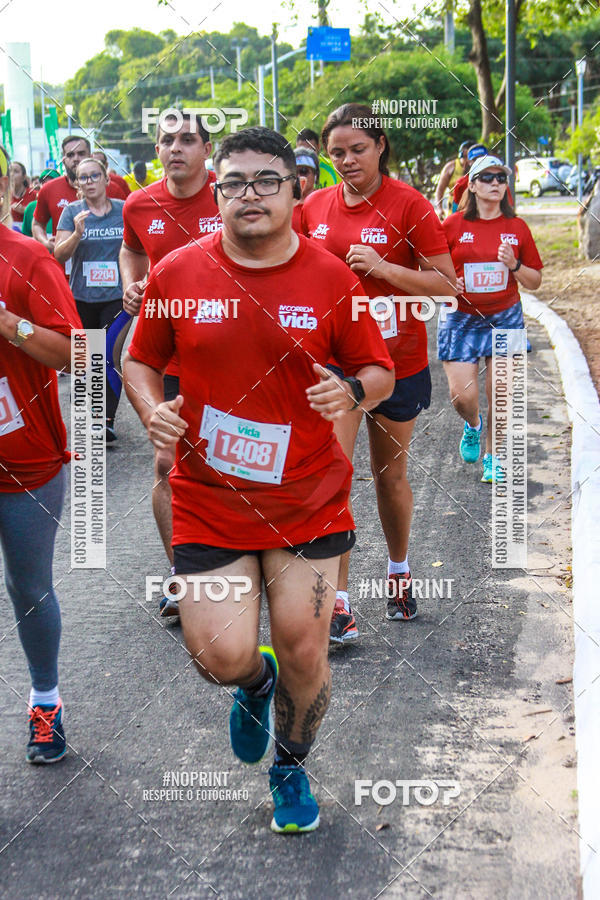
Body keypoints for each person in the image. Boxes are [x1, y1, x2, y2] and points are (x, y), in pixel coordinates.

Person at [123, 125, 394, 832]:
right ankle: (254, 681)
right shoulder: (179, 274)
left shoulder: (332, 278)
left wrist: (353, 392)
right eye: (235, 183)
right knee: (218, 655)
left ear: (294, 189)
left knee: (306, 649)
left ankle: (290, 767)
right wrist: (151, 410)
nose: (251, 194)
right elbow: (138, 359)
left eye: (266, 181)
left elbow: (379, 369)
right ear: (217, 194)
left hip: (308, 497)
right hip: (210, 497)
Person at [301, 103, 457, 633]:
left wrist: (385, 268)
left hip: (398, 361)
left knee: (389, 478)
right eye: (337, 152)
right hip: (336, 366)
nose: (347, 160)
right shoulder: (313, 207)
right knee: (335, 478)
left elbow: (446, 285)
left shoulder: (409, 205)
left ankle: (398, 572)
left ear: (380, 145)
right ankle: (338, 602)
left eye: (357, 149)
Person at [120, 112, 222, 617]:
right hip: (167, 353)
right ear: (157, 150)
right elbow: (131, 250)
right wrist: (132, 286)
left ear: (207, 149)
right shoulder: (139, 203)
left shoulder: (230, 195)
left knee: (224, 462)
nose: (176, 148)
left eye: (187, 139)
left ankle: (245, 564)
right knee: (167, 461)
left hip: (227, 352)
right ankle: (181, 576)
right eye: (167, 140)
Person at [0, 144, 83, 763]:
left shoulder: (27, 259)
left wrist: (10, 325)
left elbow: (78, 354)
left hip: (24, 456)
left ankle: (46, 701)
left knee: (28, 587)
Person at [440, 155, 543, 482]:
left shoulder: (517, 228)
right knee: (462, 396)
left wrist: (515, 265)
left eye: (501, 178)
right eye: (487, 177)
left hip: (505, 316)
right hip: (460, 318)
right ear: (472, 185)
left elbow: (535, 281)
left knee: (500, 392)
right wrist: (447, 283)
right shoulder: (453, 226)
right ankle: (473, 425)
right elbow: (429, 269)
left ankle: (493, 457)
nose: (495, 183)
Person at [54, 156, 126, 442]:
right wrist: (77, 234)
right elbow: (59, 255)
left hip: (116, 297)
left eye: (95, 175)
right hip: (82, 298)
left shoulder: (123, 210)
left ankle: (106, 420)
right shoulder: (72, 212)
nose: (90, 181)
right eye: (83, 177)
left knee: (108, 354)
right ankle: (92, 416)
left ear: (106, 179)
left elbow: (137, 248)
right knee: (87, 359)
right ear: (77, 184)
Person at [32, 135, 124, 256]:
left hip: (109, 263)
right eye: (70, 155)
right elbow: (37, 223)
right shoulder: (49, 189)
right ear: (63, 160)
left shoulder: (113, 189)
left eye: (81, 153)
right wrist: (45, 242)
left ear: (91, 156)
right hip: (64, 264)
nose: (76, 159)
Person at [434, 140, 473, 219]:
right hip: (454, 206)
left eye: (470, 157)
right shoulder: (451, 167)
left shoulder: (479, 167)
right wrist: (439, 208)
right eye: (465, 157)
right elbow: (440, 189)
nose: (467, 160)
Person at [21, 168, 60, 238]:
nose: (46, 186)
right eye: (43, 183)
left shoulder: (66, 207)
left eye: (52, 183)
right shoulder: (31, 208)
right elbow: (25, 237)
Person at [291, 147, 319, 232]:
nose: (299, 176)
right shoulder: (282, 204)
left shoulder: (325, 203)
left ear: (315, 176)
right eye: (294, 172)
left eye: (304, 171)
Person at [9, 162, 37, 227]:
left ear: (24, 177)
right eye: (9, 171)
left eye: (16, 171)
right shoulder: (4, 195)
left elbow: (41, 218)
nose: (11, 174)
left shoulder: (34, 195)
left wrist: (26, 210)